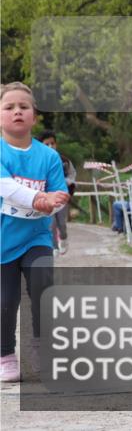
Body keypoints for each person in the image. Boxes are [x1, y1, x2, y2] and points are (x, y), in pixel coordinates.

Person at [1, 82, 70, 382]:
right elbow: (7, 187)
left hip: (37, 237)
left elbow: (59, 196)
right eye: (9, 107)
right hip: (3, 241)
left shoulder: (49, 157)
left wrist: (52, 204)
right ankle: (5, 354)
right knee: (5, 301)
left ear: (34, 116)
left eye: (24, 107)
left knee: (43, 286)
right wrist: (39, 199)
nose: (17, 111)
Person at [38, 129, 75, 255]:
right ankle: (54, 247)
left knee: (61, 223)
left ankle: (64, 238)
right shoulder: (37, 161)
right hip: (46, 198)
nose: (50, 146)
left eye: (52, 143)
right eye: (46, 144)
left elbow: (72, 175)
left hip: (61, 198)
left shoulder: (64, 161)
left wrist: (64, 182)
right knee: (51, 224)